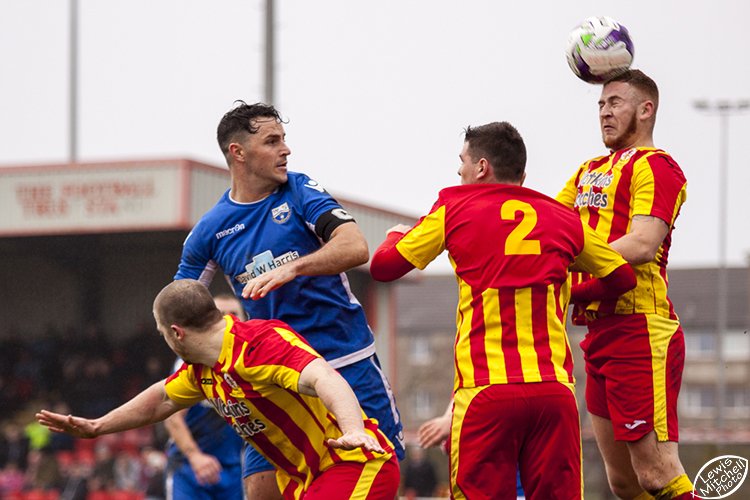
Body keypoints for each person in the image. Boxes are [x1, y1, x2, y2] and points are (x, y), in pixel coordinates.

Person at [370, 121, 637, 499]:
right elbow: (623, 277)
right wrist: (567, 294)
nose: (458, 171)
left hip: (486, 393)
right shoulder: (563, 218)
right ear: (523, 175)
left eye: (461, 162)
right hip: (553, 391)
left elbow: (383, 268)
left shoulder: (455, 207)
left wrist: (395, 235)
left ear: (481, 167)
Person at [174, 101, 404, 498]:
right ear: (238, 152)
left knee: (380, 476)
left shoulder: (299, 191)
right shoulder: (209, 230)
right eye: (272, 141)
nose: (286, 150)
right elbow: (178, 305)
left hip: (345, 360)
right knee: (261, 491)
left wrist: (294, 267)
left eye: (284, 139)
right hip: (275, 378)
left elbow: (354, 246)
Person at [36, 279, 400, 500]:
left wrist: (353, 430)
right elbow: (161, 398)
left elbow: (326, 378)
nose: (164, 340)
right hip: (303, 480)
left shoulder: (260, 343)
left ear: (176, 332)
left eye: (162, 333)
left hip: (351, 465)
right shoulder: (202, 371)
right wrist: (97, 426)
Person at [556, 69, 693, 500]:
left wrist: (573, 267)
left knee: (656, 474)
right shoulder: (587, 170)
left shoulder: (658, 166)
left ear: (646, 110)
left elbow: (643, 243)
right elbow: (549, 228)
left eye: (615, 102)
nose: (604, 112)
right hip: (597, 334)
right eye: (600, 104)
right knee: (624, 483)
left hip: (641, 331)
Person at [162, 293, 245, 500]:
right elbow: (172, 417)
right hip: (190, 468)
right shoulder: (189, 363)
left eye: (234, 314)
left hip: (236, 468)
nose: (228, 320)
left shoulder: (255, 360)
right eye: (221, 314)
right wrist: (195, 456)